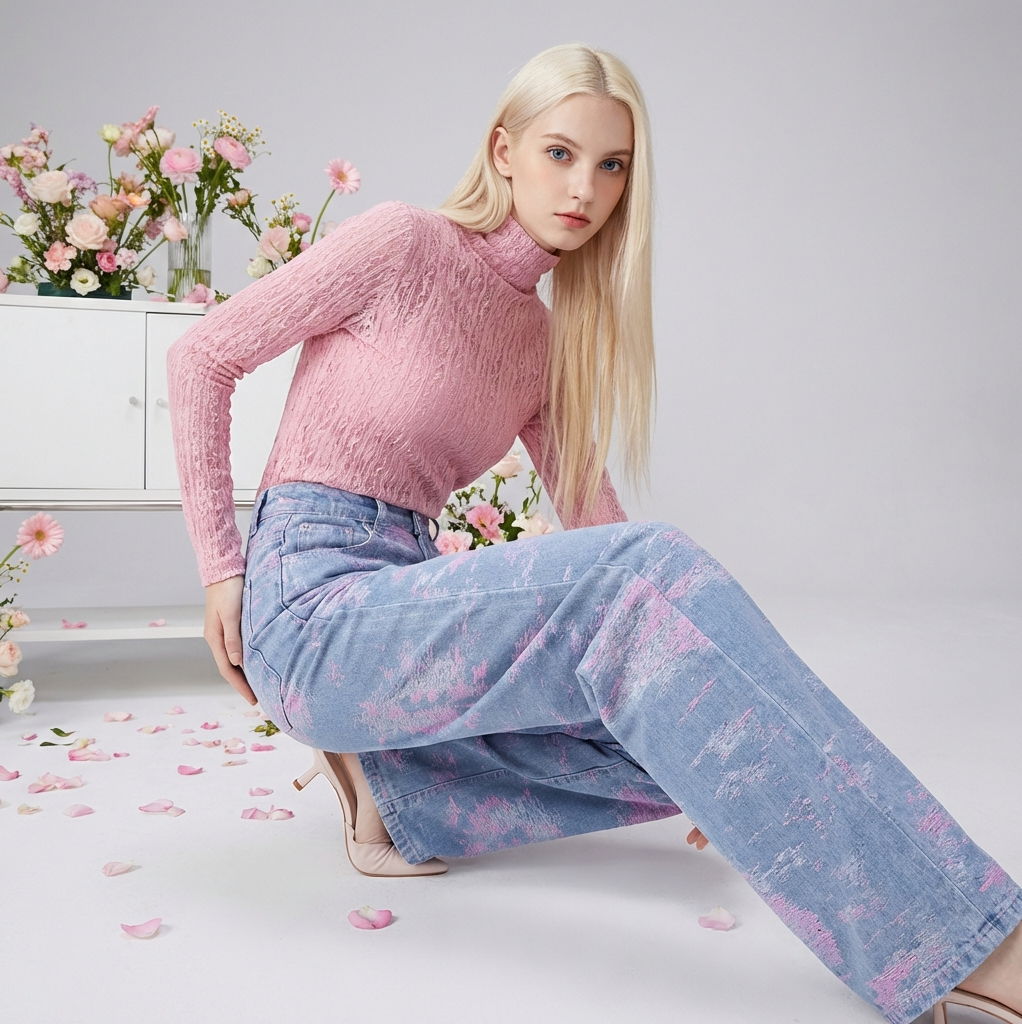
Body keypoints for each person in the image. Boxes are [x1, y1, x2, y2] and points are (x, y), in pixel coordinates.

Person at [167, 42, 1022, 1024]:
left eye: (611, 165)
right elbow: (203, 357)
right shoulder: (401, 241)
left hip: (407, 612)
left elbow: (594, 522)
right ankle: (971, 942)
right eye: (560, 153)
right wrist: (220, 567)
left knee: (699, 712)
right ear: (502, 151)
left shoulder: (542, 343)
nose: (584, 187)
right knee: (662, 610)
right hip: (311, 606)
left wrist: (698, 720)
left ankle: (396, 793)